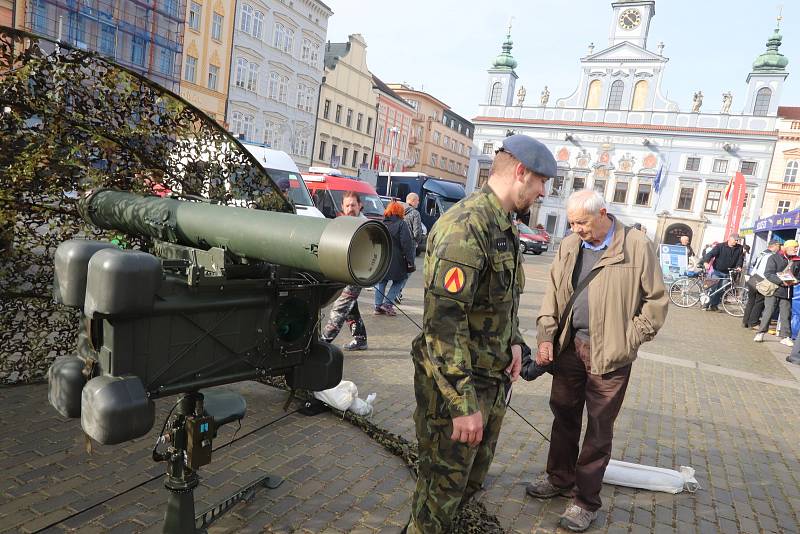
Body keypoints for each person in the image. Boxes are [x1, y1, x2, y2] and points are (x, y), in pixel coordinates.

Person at [404, 134, 554, 534]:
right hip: (457, 389)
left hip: (491, 382)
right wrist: (463, 404)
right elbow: (443, 327)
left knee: (466, 485)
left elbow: (499, 304)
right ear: (520, 172)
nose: (543, 192)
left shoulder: (504, 225)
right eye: (541, 182)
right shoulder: (465, 227)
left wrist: (516, 344)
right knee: (440, 494)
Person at [527, 189, 668, 532]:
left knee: (599, 428)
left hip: (610, 353)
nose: (576, 228)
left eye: (583, 222)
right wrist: (546, 336)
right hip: (570, 348)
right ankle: (559, 478)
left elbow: (656, 301)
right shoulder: (569, 245)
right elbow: (554, 295)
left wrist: (630, 339)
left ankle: (585, 501)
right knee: (563, 415)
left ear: (603, 212)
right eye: (572, 222)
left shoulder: (636, 245)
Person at [320, 191, 369, 351]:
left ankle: (323, 342)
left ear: (360, 205)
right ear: (342, 206)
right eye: (347, 205)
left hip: (356, 274)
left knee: (340, 307)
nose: (350, 208)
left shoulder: (365, 225)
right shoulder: (342, 221)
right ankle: (360, 339)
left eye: (353, 205)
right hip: (342, 272)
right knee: (350, 306)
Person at [754, 240, 800, 346]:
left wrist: (796, 280)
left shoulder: (797, 260)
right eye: (795, 247)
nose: (796, 249)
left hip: (787, 290)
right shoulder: (774, 257)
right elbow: (768, 273)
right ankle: (761, 333)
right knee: (768, 311)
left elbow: (798, 276)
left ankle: (785, 336)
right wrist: (781, 281)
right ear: (787, 247)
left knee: (786, 314)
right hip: (773, 289)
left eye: (797, 247)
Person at [374, 201, 415, 316]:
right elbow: (406, 244)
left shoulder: (382, 224)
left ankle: (377, 306)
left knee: (381, 281)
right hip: (397, 259)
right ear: (400, 212)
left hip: (383, 257)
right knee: (400, 280)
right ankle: (387, 304)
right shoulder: (402, 224)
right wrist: (410, 261)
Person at [698, 234, 744, 312]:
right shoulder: (720, 246)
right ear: (730, 238)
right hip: (716, 270)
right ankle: (704, 304)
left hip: (727, 273)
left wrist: (739, 266)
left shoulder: (739, 248)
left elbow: (740, 258)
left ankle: (714, 306)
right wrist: (706, 262)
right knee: (710, 288)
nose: (736, 241)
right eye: (735, 240)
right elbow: (711, 254)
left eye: (737, 240)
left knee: (721, 290)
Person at [743, 241, 780, 329]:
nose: (779, 248)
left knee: (751, 301)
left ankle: (745, 321)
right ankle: (754, 323)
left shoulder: (762, 253)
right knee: (759, 301)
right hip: (761, 278)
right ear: (774, 246)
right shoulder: (771, 256)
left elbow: (755, 264)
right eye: (778, 246)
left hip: (753, 277)